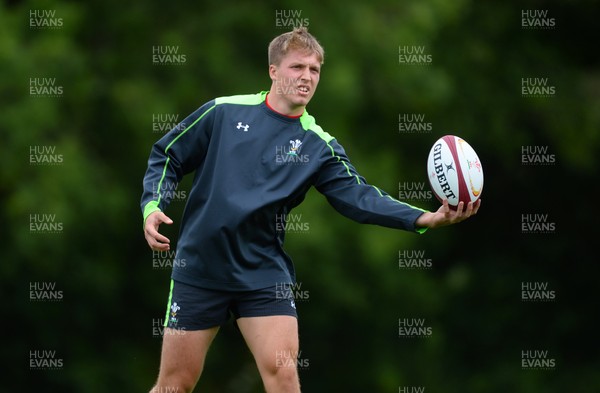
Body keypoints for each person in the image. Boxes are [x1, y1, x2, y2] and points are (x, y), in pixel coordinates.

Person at [141, 26, 480, 393]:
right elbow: (168, 153)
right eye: (297, 67)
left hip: (262, 274)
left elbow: (358, 196)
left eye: (314, 70)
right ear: (273, 71)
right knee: (175, 385)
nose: (306, 77)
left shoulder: (318, 146)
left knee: (284, 376)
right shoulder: (224, 112)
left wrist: (422, 217)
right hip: (201, 266)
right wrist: (152, 206)